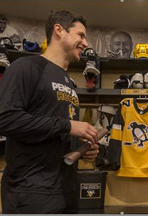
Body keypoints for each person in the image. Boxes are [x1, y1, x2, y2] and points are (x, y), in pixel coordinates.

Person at [0, 10, 99, 214]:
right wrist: (68, 125)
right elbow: (6, 119)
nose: (86, 43)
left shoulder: (70, 82)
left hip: (66, 191)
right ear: (59, 30)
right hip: (30, 192)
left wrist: (83, 149)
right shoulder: (26, 67)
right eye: (81, 35)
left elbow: (56, 131)